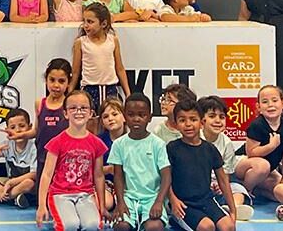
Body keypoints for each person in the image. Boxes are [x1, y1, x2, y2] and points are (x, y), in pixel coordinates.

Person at [36, 89, 108, 231]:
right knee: (70, 225)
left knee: (92, 225)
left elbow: (99, 176)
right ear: (65, 113)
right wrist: (41, 205)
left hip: (85, 195)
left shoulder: (97, 143)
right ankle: (60, 218)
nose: (78, 111)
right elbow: (46, 174)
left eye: (83, 108)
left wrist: (102, 205)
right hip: (60, 194)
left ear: (91, 113)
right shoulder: (56, 142)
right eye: (73, 108)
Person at [166, 100, 236, 231]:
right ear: (175, 124)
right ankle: (175, 220)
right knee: (207, 227)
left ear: (202, 123)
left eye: (193, 119)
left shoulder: (210, 149)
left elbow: (223, 181)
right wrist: (173, 200)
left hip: (207, 201)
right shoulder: (172, 148)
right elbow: (165, 179)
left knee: (228, 226)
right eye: (182, 120)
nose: (188, 124)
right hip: (184, 204)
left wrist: (233, 211)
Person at [109, 92, 171, 231]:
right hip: (128, 197)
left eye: (141, 115)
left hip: (152, 197)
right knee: (122, 226)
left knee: (154, 226)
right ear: (125, 116)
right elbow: (118, 176)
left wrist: (159, 202)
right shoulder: (119, 144)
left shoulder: (157, 144)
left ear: (149, 117)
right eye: (131, 115)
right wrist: (120, 202)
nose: (136, 119)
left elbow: (166, 176)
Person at [233, 85, 283, 202]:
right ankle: (244, 191)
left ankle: (258, 190)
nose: (270, 105)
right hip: (245, 164)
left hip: (269, 169)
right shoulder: (257, 125)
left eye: (274, 100)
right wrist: (271, 146)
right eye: (265, 102)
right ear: (258, 107)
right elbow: (251, 153)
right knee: (262, 166)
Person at [197, 96, 254, 221]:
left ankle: (231, 208)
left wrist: (219, 185)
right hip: (197, 185)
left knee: (239, 191)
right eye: (212, 116)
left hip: (218, 184)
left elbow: (226, 173)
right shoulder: (195, 139)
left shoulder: (227, 142)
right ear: (202, 121)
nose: (218, 120)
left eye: (222, 117)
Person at [70, 3, 131, 112]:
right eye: (84, 21)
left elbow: (120, 69)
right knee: (91, 123)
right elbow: (75, 72)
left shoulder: (113, 40)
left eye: (90, 22)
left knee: (111, 121)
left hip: (110, 89)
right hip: (89, 89)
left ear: (103, 24)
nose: (86, 25)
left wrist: (128, 93)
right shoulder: (81, 42)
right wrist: (69, 94)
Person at [98, 97, 127, 212]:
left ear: (124, 116)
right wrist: (109, 169)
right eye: (106, 116)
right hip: (106, 184)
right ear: (102, 122)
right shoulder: (98, 141)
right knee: (106, 203)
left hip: (128, 185)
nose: (110, 119)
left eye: (115, 114)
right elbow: (90, 171)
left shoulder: (133, 140)